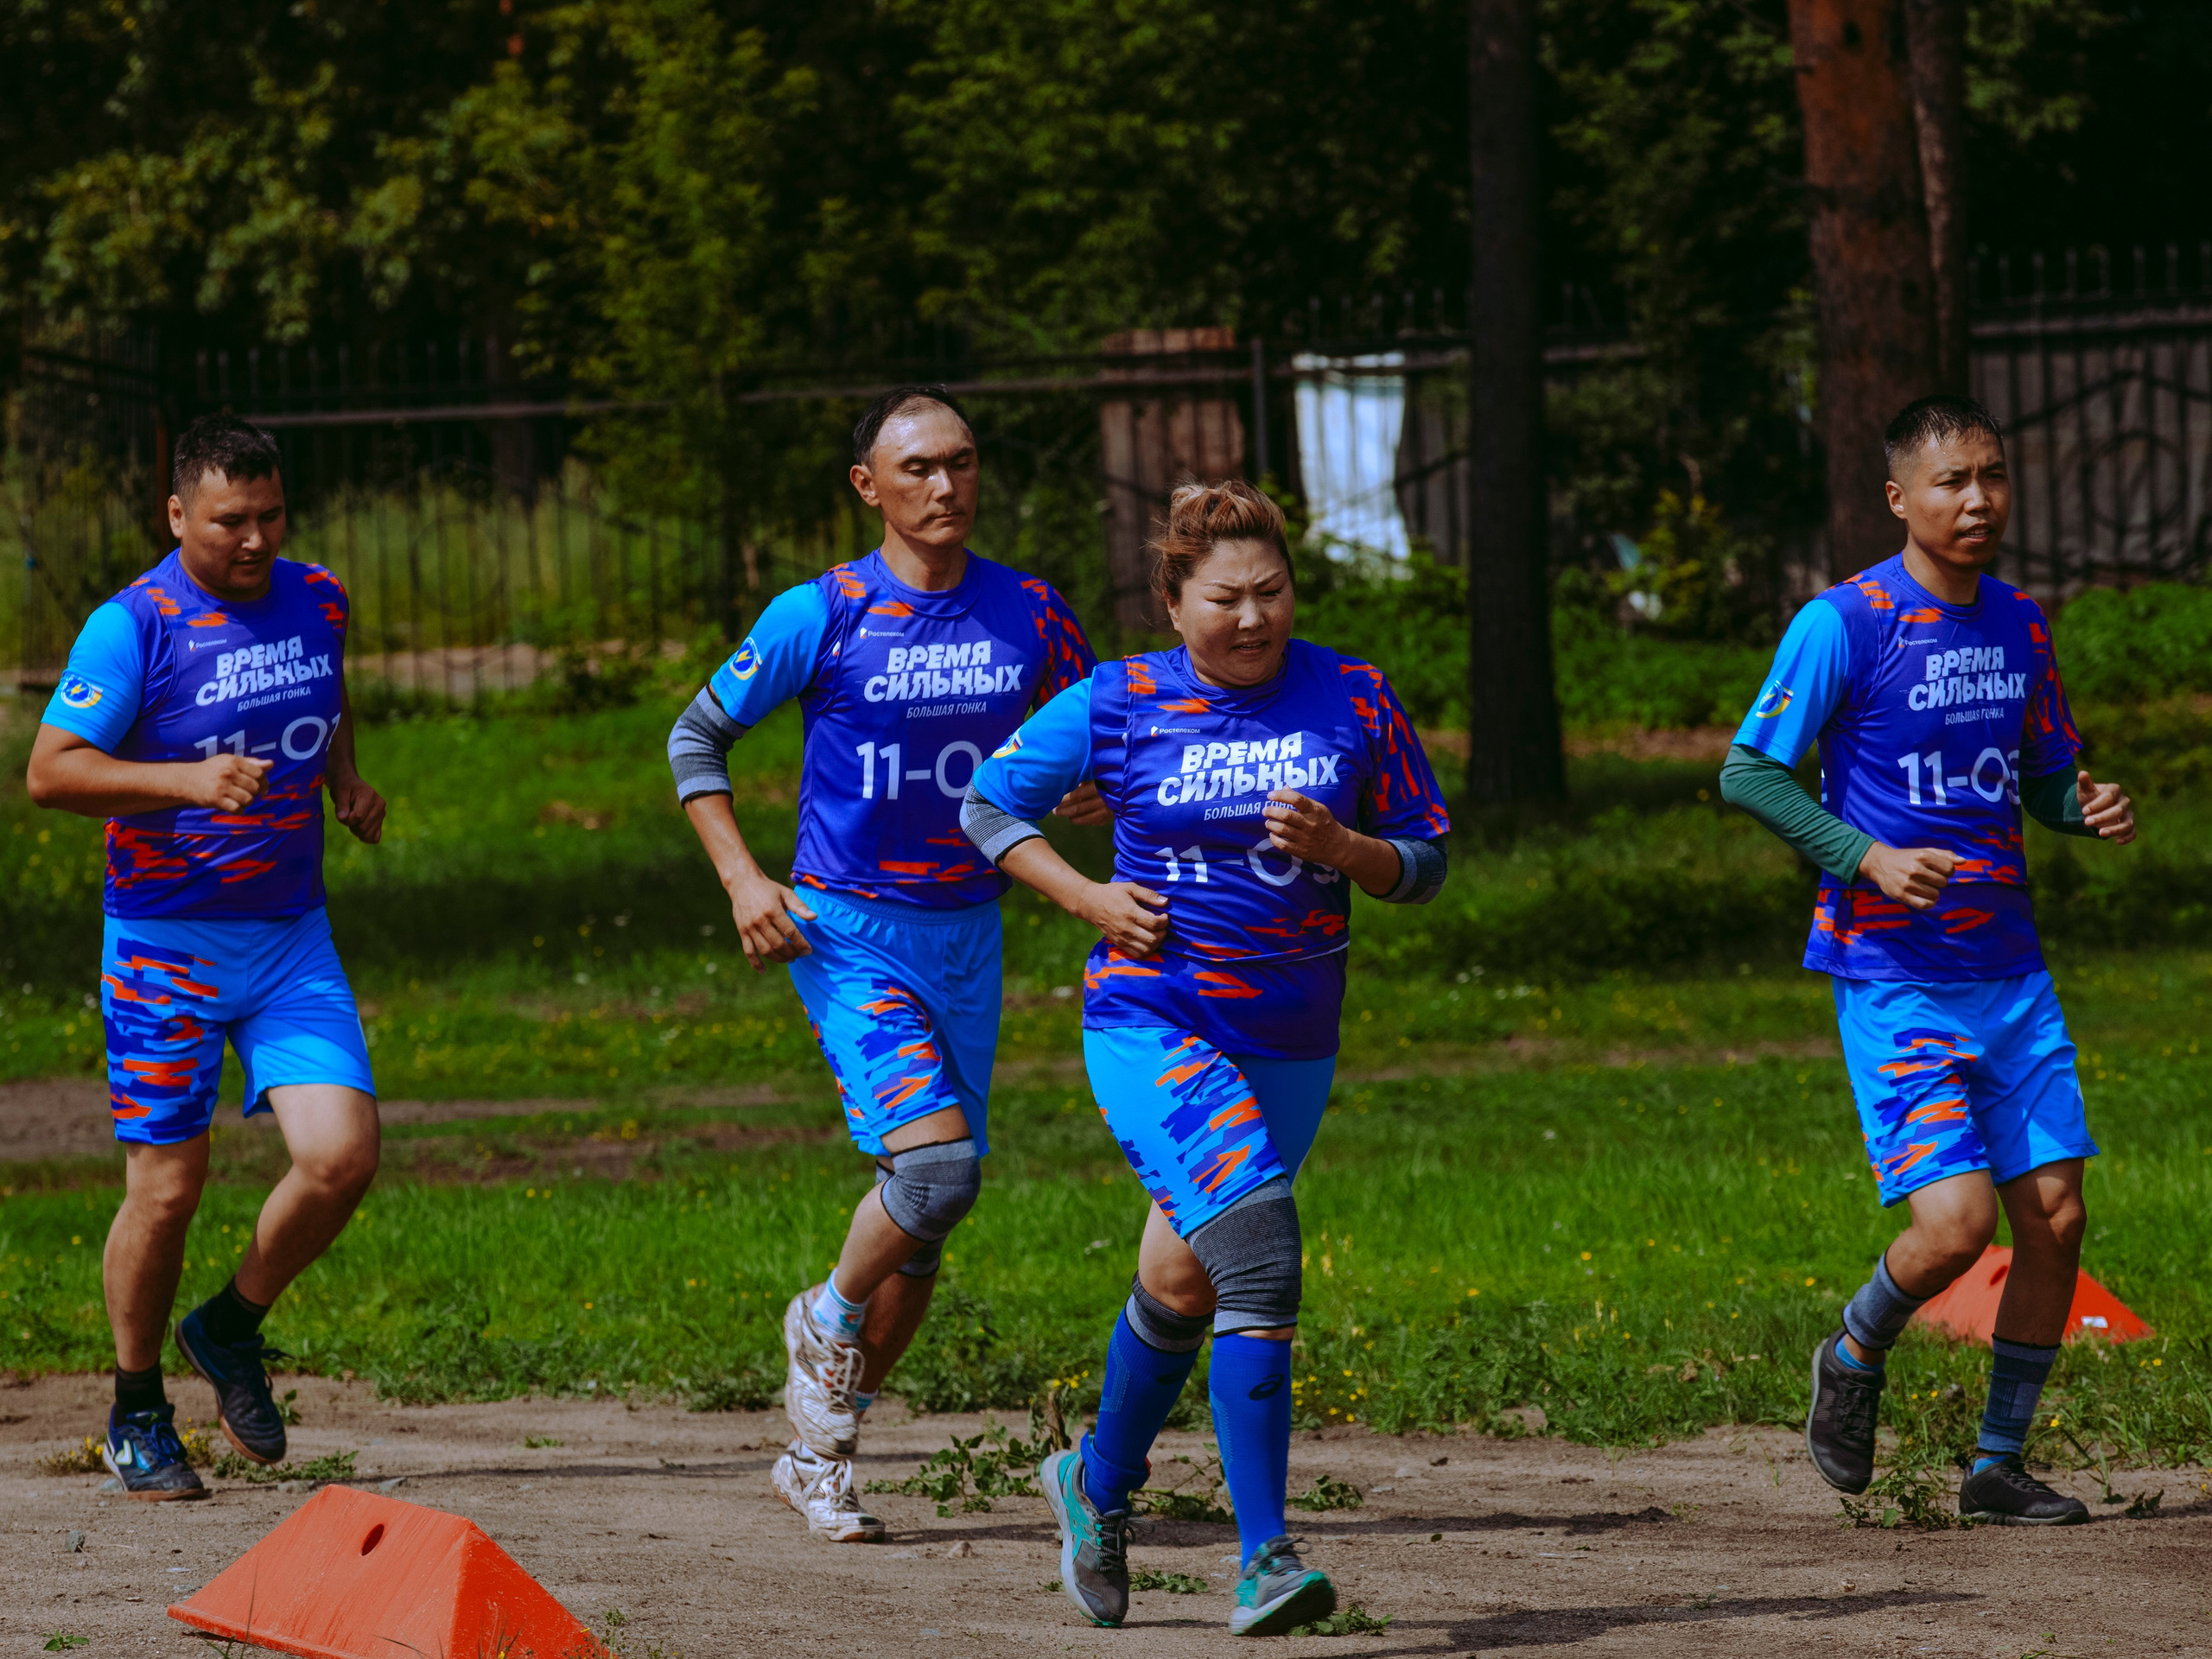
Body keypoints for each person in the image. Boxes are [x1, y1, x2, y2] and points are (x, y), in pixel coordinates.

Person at [961, 480, 1450, 1634]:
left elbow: (1425, 861)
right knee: (1263, 1262)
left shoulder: (1355, 696)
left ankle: (1094, 1488)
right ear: (1173, 602)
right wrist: (1088, 897)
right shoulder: (1120, 701)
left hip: (1293, 1037)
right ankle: (1266, 1558)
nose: (1251, 618)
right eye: (1223, 597)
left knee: (1186, 1278)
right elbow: (988, 806)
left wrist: (1348, 847)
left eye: (1270, 593)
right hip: (1157, 1023)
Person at [667, 385, 1101, 1542]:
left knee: (929, 1220)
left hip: (970, 930)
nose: (945, 486)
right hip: (847, 929)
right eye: (917, 469)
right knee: (936, 1175)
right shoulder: (821, 613)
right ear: (869, 487)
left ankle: (823, 1446)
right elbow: (694, 737)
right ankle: (824, 1313)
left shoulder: (1033, 614)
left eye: (960, 463)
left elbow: (1090, 753)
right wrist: (745, 882)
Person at [1720, 395, 2135, 1526]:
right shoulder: (1843, 623)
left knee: (2055, 1218)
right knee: (1958, 1229)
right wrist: (1865, 857)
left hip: (2011, 970)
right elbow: (1750, 773)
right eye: (1953, 481)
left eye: (1993, 476)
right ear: (1899, 499)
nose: (1980, 499)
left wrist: (2078, 804)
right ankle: (1853, 1353)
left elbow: (2041, 773)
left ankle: (1996, 1465)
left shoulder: (2021, 625)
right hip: (1893, 973)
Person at [25, 414, 386, 1500]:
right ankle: (138, 1409)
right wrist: (183, 781)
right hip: (164, 947)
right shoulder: (132, 625)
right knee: (168, 1192)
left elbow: (323, 699)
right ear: (178, 513)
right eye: (232, 520)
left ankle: (229, 1328)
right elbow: (51, 771)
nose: (256, 538)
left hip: (290, 938)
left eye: (272, 515)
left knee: (342, 1157)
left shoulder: (317, 596)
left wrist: (343, 782)